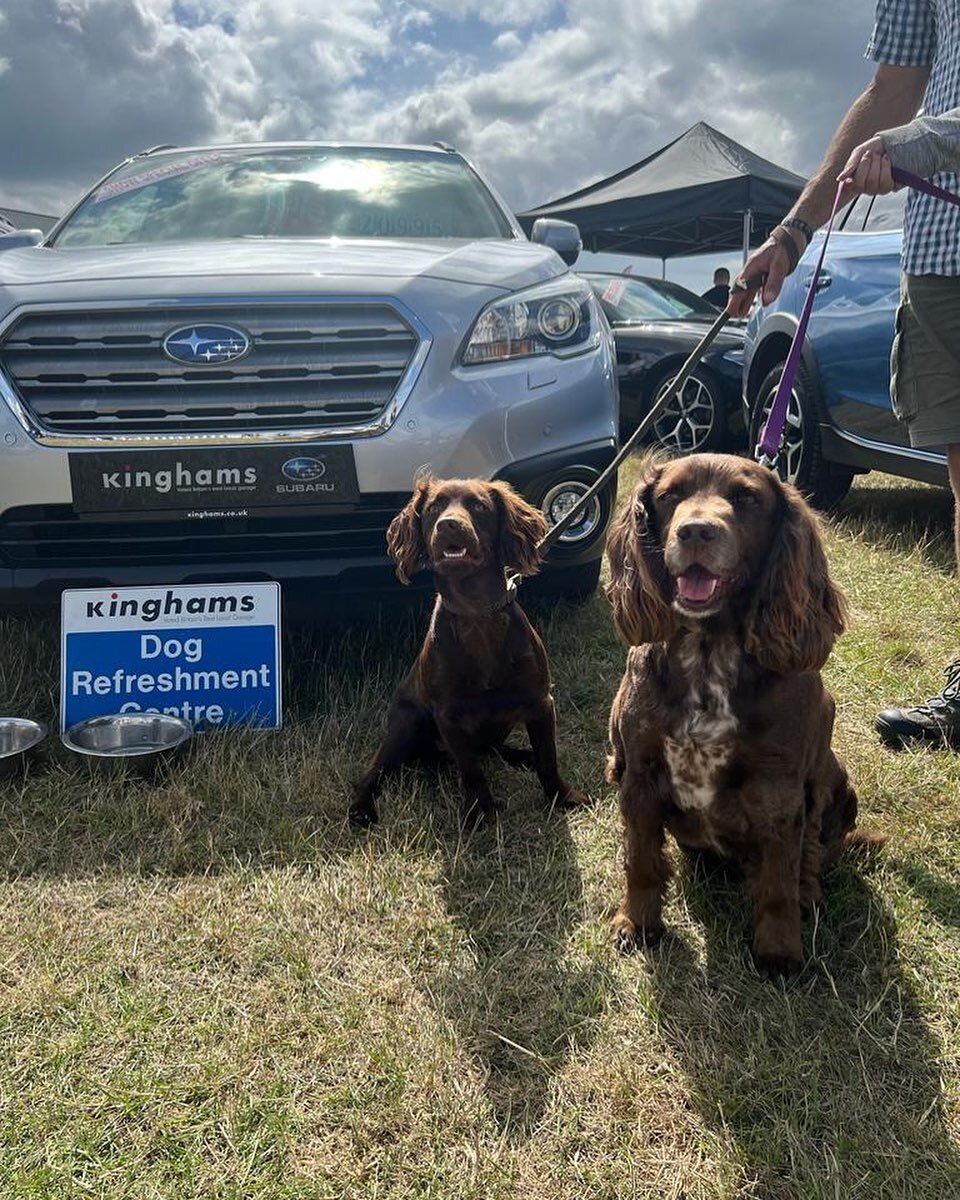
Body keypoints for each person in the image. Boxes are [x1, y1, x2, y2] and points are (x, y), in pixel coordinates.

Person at [729, 1, 960, 751]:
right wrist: (793, 232)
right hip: (938, 253)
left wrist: (924, 140)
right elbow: (893, 86)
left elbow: (908, 122)